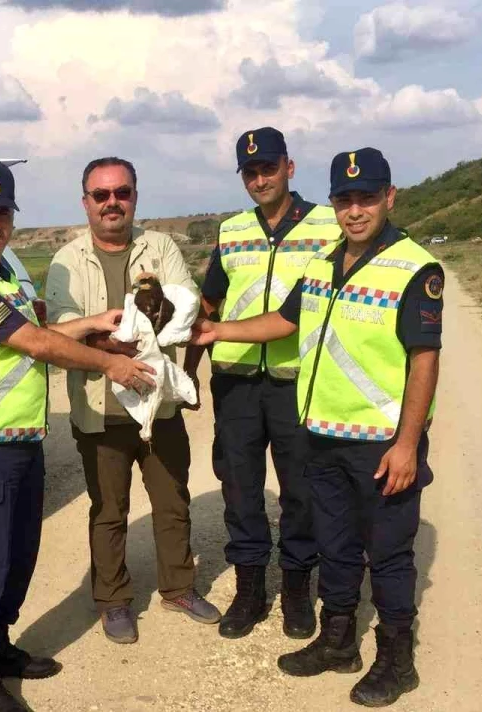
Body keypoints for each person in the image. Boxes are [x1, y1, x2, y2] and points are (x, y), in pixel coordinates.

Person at [190, 147, 443, 707]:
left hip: (380, 441)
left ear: (389, 197)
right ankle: (338, 641)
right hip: (322, 433)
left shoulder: (414, 267)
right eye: (346, 200)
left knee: (391, 553)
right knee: (336, 544)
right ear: (334, 204)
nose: (356, 211)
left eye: (367, 198)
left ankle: (397, 660)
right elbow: (283, 320)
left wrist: (407, 444)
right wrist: (216, 333)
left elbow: (425, 359)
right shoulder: (324, 265)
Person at [0, 160, 156, 712]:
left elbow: (38, 334)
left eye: (3, 212)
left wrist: (95, 321)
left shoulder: (1, 274)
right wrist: (109, 363)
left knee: (17, 555)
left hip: (18, 442)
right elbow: (34, 344)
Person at [45, 156, 221, 645]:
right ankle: (114, 600)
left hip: (159, 402)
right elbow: (63, 329)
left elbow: (183, 303)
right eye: (100, 195)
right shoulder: (66, 260)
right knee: (108, 510)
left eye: (121, 193)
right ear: (86, 203)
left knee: (171, 500)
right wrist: (110, 351)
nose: (111, 203)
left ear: (135, 197)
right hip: (101, 408)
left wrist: (146, 323)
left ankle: (179, 587)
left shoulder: (159, 246)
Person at [185, 127, 342, 642]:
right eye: (250, 172)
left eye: (268, 168)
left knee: (300, 491)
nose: (260, 178)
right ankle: (250, 589)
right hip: (236, 382)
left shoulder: (327, 225)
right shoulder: (232, 231)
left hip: (297, 381)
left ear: (289, 168)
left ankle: (297, 587)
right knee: (240, 490)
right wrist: (188, 370)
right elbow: (208, 304)